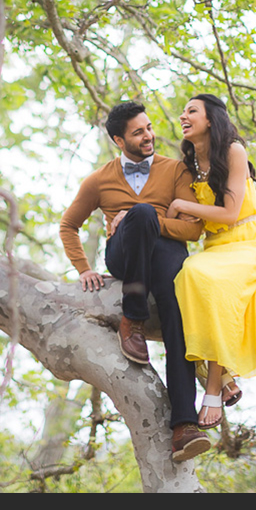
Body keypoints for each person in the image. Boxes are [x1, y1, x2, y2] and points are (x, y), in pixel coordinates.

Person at [60, 101, 211, 462]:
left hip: (168, 258)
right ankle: (134, 317)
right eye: (138, 132)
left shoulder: (175, 170)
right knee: (141, 215)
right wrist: (84, 268)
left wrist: (144, 217)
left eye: (148, 127)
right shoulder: (99, 180)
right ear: (118, 139)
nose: (148, 136)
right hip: (124, 257)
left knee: (179, 318)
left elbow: (193, 228)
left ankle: (184, 427)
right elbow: (68, 225)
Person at [169, 94, 256, 430]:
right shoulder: (188, 165)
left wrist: (183, 205)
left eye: (192, 111)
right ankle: (222, 374)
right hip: (214, 246)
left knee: (213, 283)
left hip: (248, 242)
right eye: (183, 112)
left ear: (210, 119)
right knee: (187, 275)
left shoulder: (233, 151)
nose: (183, 116)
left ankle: (214, 387)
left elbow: (231, 213)